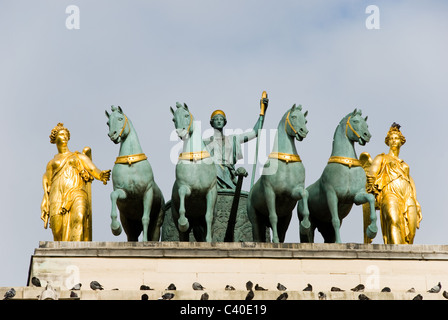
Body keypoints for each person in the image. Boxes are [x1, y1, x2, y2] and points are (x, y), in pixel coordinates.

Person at [41, 123, 111, 241]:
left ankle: (76, 251)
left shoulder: (77, 156)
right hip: (57, 196)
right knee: (57, 231)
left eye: (65, 135)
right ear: (55, 138)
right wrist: (45, 202)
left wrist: (101, 175)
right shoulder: (51, 163)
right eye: (61, 134)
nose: (64, 137)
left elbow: (92, 169)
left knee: (79, 216)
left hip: (77, 192)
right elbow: (48, 184)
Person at [366, 123, 422, 244]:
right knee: (393, 221)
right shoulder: (381, 158)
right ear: (388, 141)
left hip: (407, 196)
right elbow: (370, 176)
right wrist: (372, 193)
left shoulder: (403, 164)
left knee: (411, 232)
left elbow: (410, 182)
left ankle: (406, 257)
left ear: (401, 141)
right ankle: (397, 254)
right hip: (390, 193)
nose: (393, 141)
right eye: (391, 138)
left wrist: (416, 202)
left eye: (396, 138)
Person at [203, 96, 268, 189]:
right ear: (212, 123)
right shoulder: (205, 142)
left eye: (221, 119)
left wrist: (263, 113)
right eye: (216, 119)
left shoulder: (233, 139)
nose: (218, 121)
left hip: (229, 177)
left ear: (224, 122)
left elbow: (255, 132)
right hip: (212, 177)